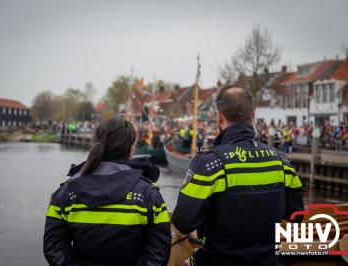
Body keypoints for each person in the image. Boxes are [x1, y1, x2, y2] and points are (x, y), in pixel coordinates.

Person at [172, 86, 304, 266]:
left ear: (219, 117)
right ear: (253, 116)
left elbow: (183, 222)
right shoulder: (281, 161)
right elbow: (297, 214)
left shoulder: (209, 163)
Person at [43, 118, 171, 266]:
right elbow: (159, 252)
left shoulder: (66, 193)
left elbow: (54, 248)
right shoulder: (148, 195)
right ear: (130, 149)